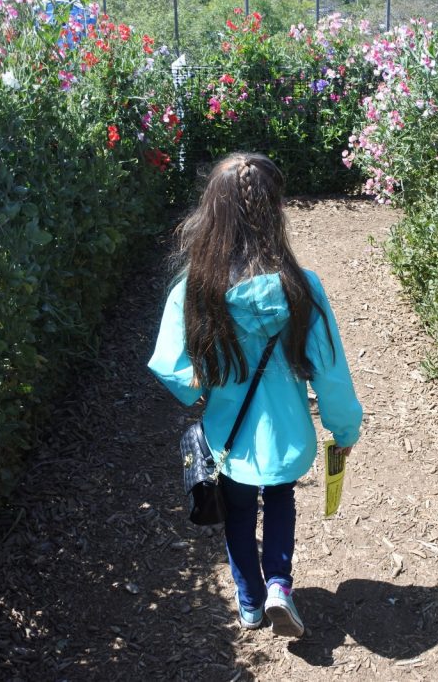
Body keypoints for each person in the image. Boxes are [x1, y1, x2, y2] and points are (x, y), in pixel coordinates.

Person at [147, 153, 363, 638]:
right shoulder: (301, 288)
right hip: (287, 433)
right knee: (282, 497)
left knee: (239, 515)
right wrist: (344, 428)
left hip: (230, 436)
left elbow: (169, 366)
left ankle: (248, 601)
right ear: (275, 212)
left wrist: (206, 376)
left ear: (212, 214)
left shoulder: (196, 290)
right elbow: (330, 371)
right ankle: (280, 587)